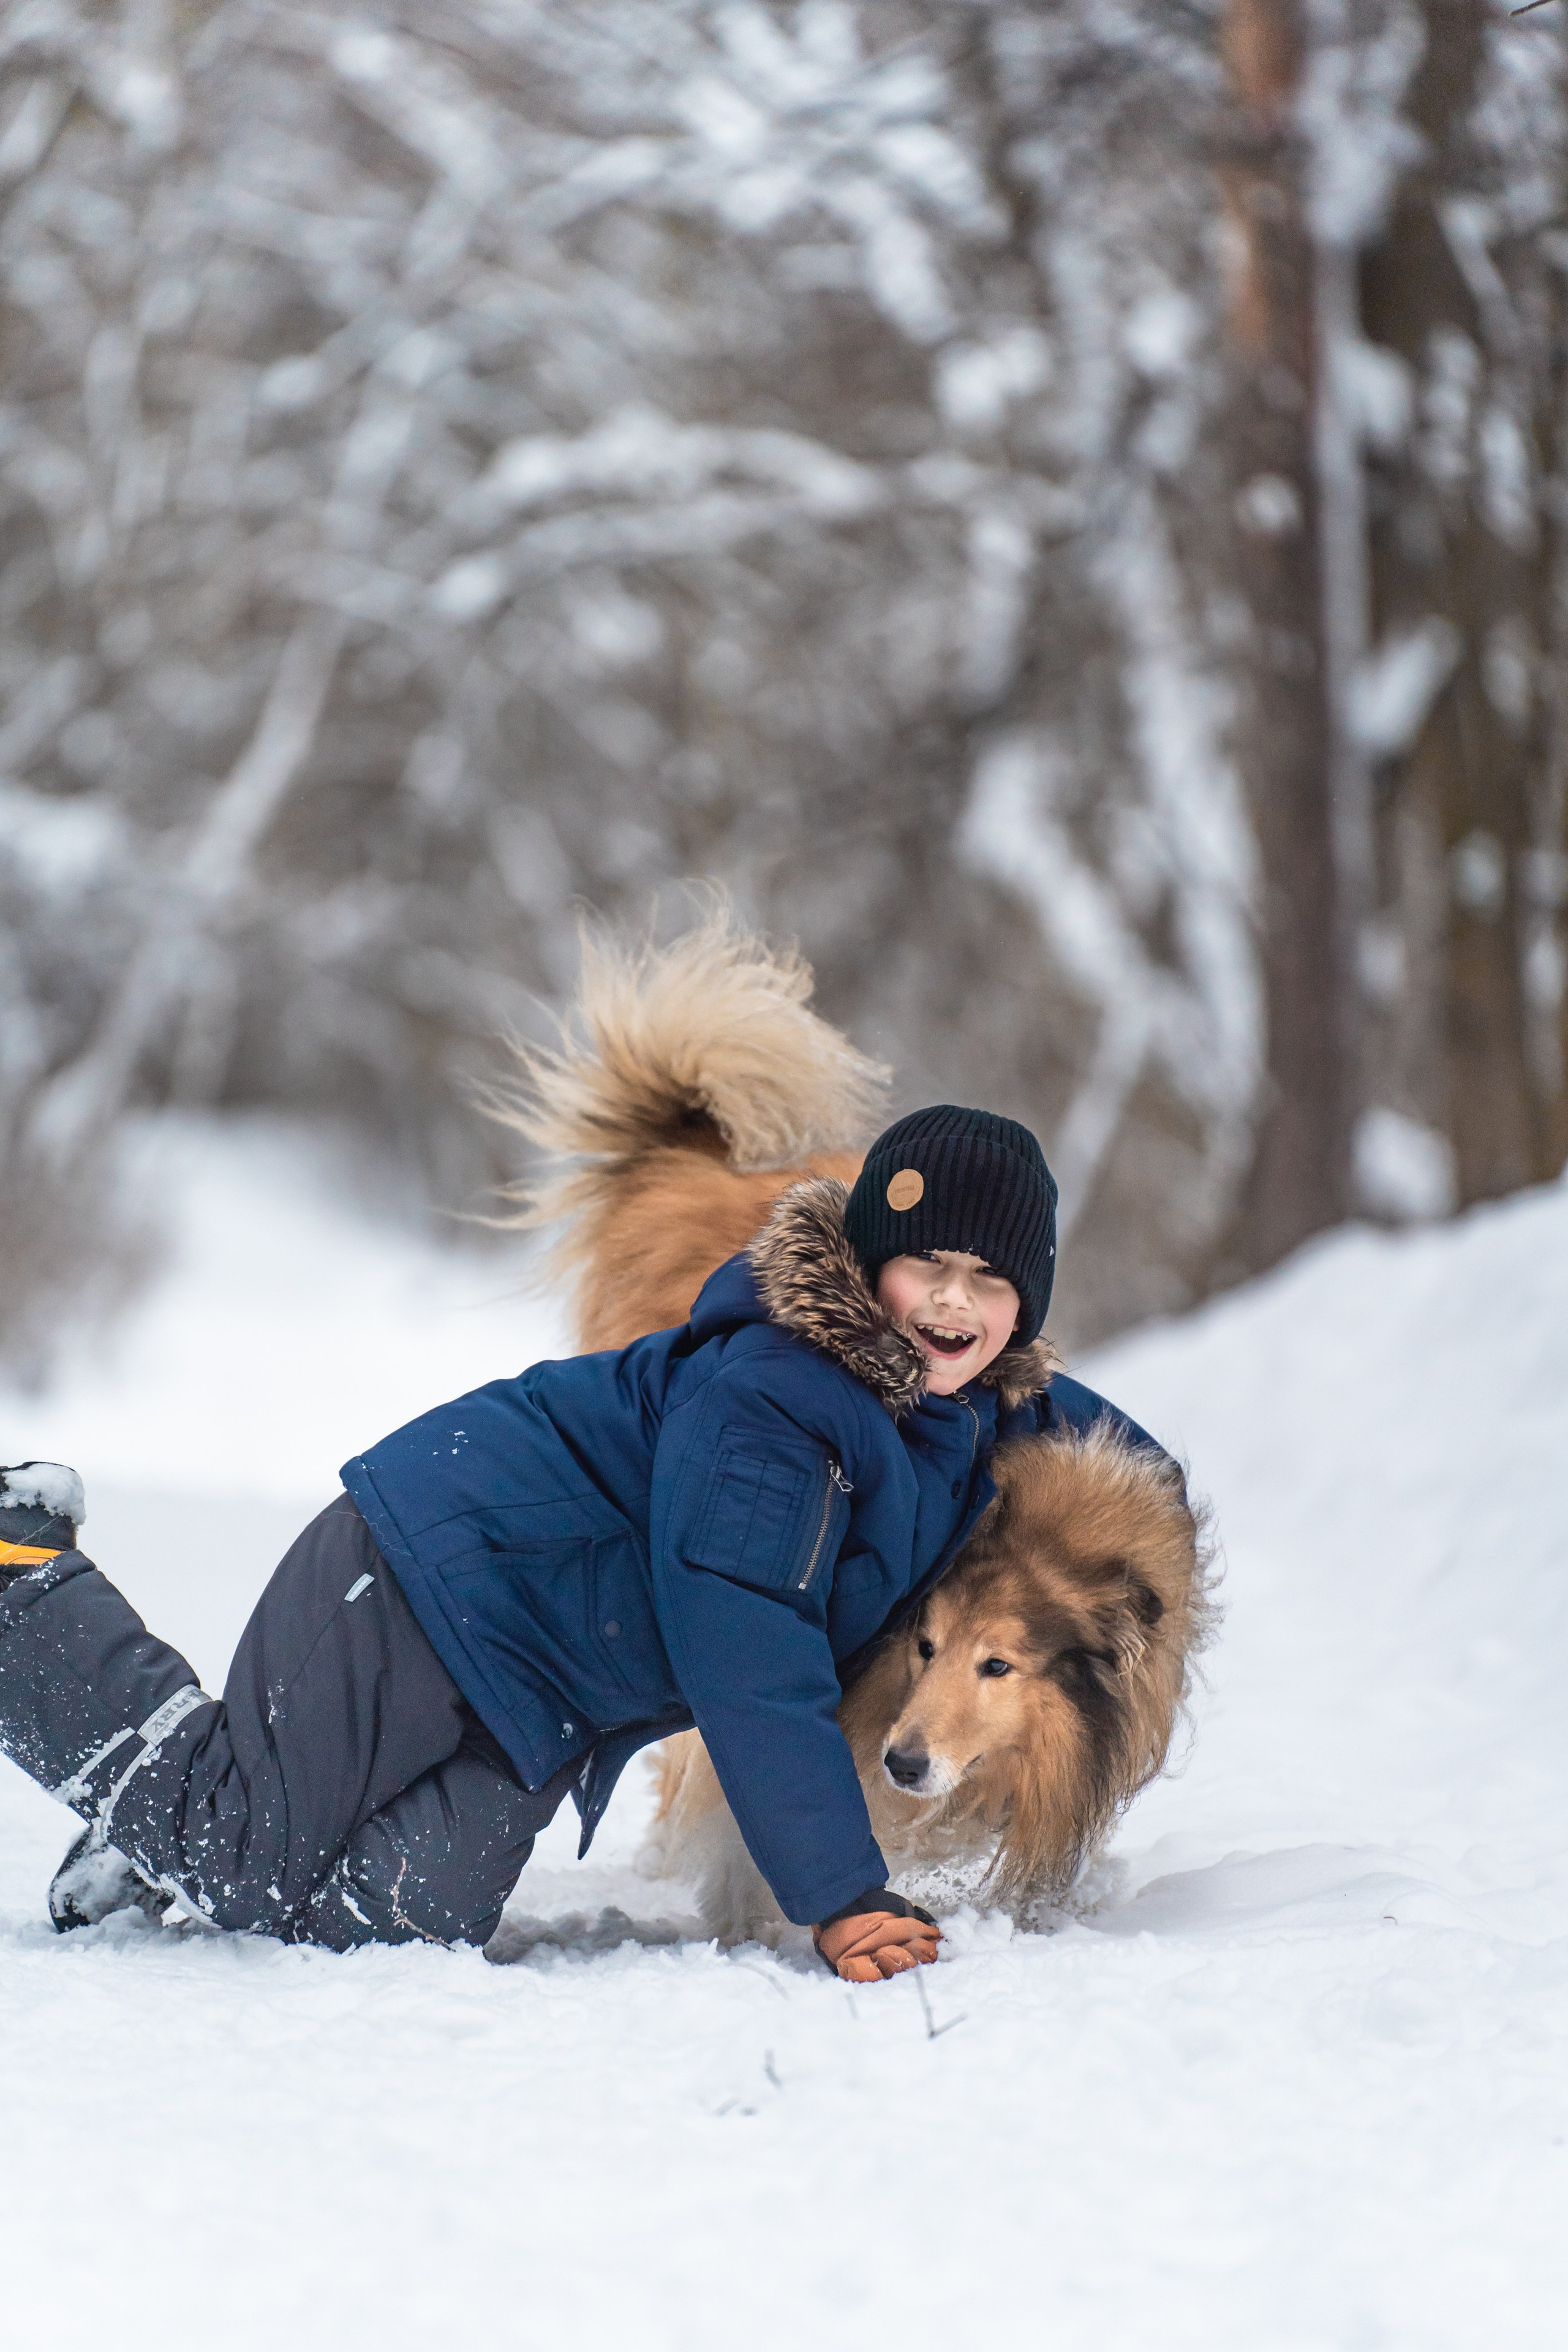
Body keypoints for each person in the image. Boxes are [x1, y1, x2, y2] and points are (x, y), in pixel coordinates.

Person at [0, 1106, 1154, 1981]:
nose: (952, 1303)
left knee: (393, 1926)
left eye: (989, 1279)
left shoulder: (971, 1404)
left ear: (1025, 1308)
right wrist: (841, 1895)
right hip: (434, 1575)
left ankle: (143, 1843)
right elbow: (749, 1656)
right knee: (245, 1849)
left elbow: (1111, 1448)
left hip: (543, 1694)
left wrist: (1156, 1511)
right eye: (926, 1266)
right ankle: (23, 1575)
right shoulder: (776, 1403)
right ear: (866, 1264)